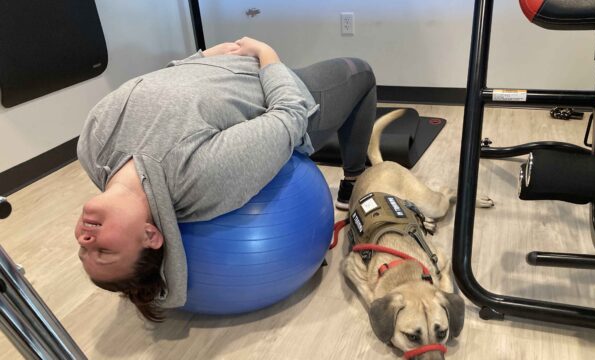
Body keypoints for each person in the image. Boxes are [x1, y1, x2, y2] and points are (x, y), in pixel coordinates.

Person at [75, 37, 377, 321]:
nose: (85, 240)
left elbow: (153, 87)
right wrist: (266, 54)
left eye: (84, 250)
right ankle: (353, 178)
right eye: (104, 251)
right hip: (275, 87)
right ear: (150, 235)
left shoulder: (92, 146)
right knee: (361, 72)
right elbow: (290, 113)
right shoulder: (198, 177)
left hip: (220, 64)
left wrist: (202, 57)